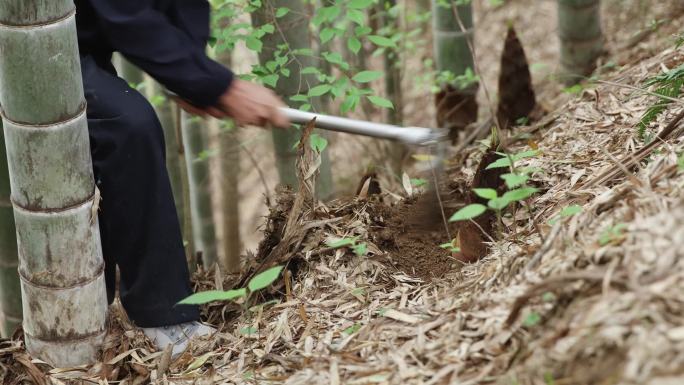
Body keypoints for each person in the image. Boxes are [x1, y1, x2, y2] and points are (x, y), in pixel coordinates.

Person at [74, 0, 288, 356]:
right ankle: (161, 317)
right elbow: (125, 14)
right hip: (27, 39)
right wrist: (220, 86)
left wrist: (195, 74)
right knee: (127, 127)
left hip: (76, 39)